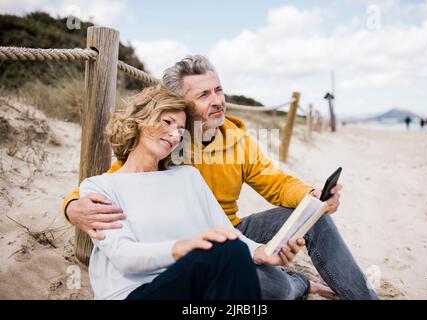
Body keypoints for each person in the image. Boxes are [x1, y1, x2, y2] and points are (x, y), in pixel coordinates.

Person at [64, 55, 377, 300]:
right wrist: (72, 205)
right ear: (180, 105)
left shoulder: (237, 141)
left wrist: (312, 195)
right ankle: (297, 285)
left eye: (218, 90)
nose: (217, 101)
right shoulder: (166, 149)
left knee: (315, 217)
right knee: (276, 288)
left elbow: (276, 183)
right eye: (203, 95)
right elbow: (121, 180)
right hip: (195, 247)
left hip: (233, 229)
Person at [80, 85, 262, 300]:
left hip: (189, 286)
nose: (175, 135)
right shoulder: (100, 187)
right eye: (167, 122)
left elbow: (227, 231)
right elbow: (124, 256)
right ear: (140, 119)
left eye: (180, 130)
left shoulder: (188, 176)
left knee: (236, 254)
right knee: (229, 253)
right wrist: (182, 248)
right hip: (133, 293)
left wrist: (263, 252)